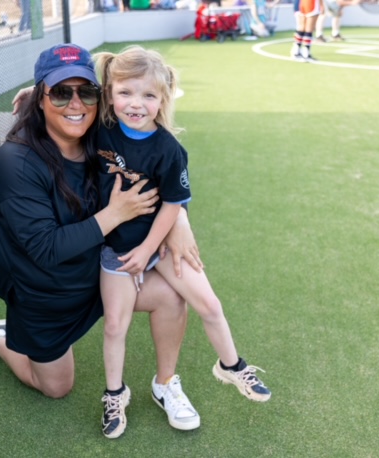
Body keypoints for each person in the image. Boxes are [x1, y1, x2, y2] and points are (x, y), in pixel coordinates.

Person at [0, 43, 204, 438]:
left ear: (102, 98)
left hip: (100, 275)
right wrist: (113, 215)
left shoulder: (100, 135)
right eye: (61, 92)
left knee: (171, 293)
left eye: (87, 92)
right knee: (56, 388)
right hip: (48, 293)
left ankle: (165, 383)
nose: (75, 104)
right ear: (43, 99)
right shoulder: (15, 165)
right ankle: (3, 338)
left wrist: (179, 217)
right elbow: (45, 249)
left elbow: (160, 176)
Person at [92, 45, 271, 439]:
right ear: (110, 92)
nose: (136, 104)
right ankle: (114, 394)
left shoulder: (170, 149)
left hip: (159, 247)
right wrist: (32, 97)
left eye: (149, 95)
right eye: (126, 93)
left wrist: (148, 249)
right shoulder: (100, 130)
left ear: (163, 99)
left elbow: (173, 203)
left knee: (209, 303)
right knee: (115, 327)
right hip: (114, 253)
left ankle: (232, 366)